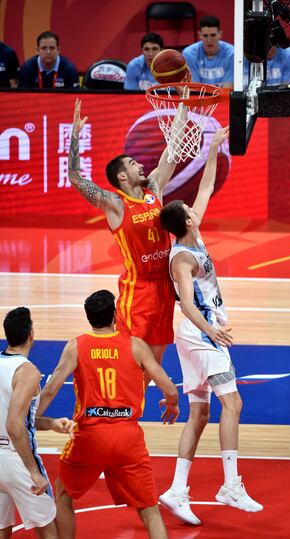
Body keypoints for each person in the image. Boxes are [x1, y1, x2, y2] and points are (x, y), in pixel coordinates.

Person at [158, 126, 263, 526]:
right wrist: (212, 330)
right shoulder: (183, 256)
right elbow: (185, 302)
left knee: (199, 414)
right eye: (189, 209)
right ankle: (230, 485)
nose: (195, 209)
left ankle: (177, 490)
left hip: (195, 334)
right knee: (232, 403)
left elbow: (205, 186)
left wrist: (213, 148)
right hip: (200, 332)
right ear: (185, 220)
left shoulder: (192, 232)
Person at [37, 289, 179, 539]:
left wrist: (31, 418)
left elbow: (50, 390)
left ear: (89, 318)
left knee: (62, 494)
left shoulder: (76, 346)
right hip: (127, 436)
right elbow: (169, 388)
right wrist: (172, 404)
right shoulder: (135, 345)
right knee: (149, 508)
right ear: (115, 315)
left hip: (90, 435)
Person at [68, 97, 187, 374]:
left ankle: (134, 411)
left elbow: (172, 151)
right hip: (139, 290)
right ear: (122, 176)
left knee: (154, 363)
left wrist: (183, 103)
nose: (141, 167)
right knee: (128, 358)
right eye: (134, 164)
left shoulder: (154, 190)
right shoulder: (116, 204)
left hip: (165, 289)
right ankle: (112, 406)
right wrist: (75, 138)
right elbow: (75, 178)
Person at [0, 307, 74, 538]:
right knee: (49, 531)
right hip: (16, 459)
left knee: (2, 528)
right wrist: (33, 470)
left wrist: (50, 423)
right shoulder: (28, 371)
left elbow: (14, 416)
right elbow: (14, 423)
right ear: (32, 334)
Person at [182, 15, 234, 88]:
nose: (209, 40)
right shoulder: (189, 54)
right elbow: (194, 87)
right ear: (200, 35)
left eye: (213, 35)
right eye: (205, 36)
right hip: (199, 98)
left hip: (224, 97)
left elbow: (229, 86)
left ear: (220, 34)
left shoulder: (232, 53)